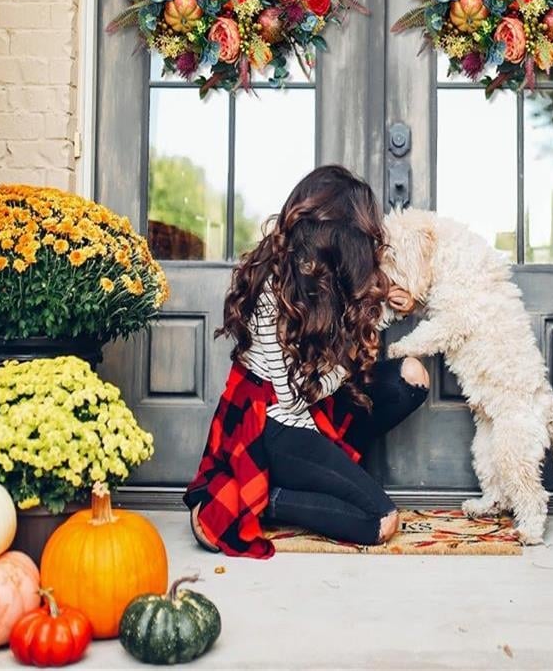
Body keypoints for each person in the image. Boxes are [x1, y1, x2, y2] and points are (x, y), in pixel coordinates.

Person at [183, 164, 428, 557]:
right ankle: (265, 499)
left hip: (317, 402)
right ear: (337, 237)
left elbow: (338, 360)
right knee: (380, 521)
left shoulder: (332, 273)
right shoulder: (270, 286)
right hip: (274, 420)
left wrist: (391, 307)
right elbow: (293, 399)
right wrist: (348, 361)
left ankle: (331, 473)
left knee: (412, 376)